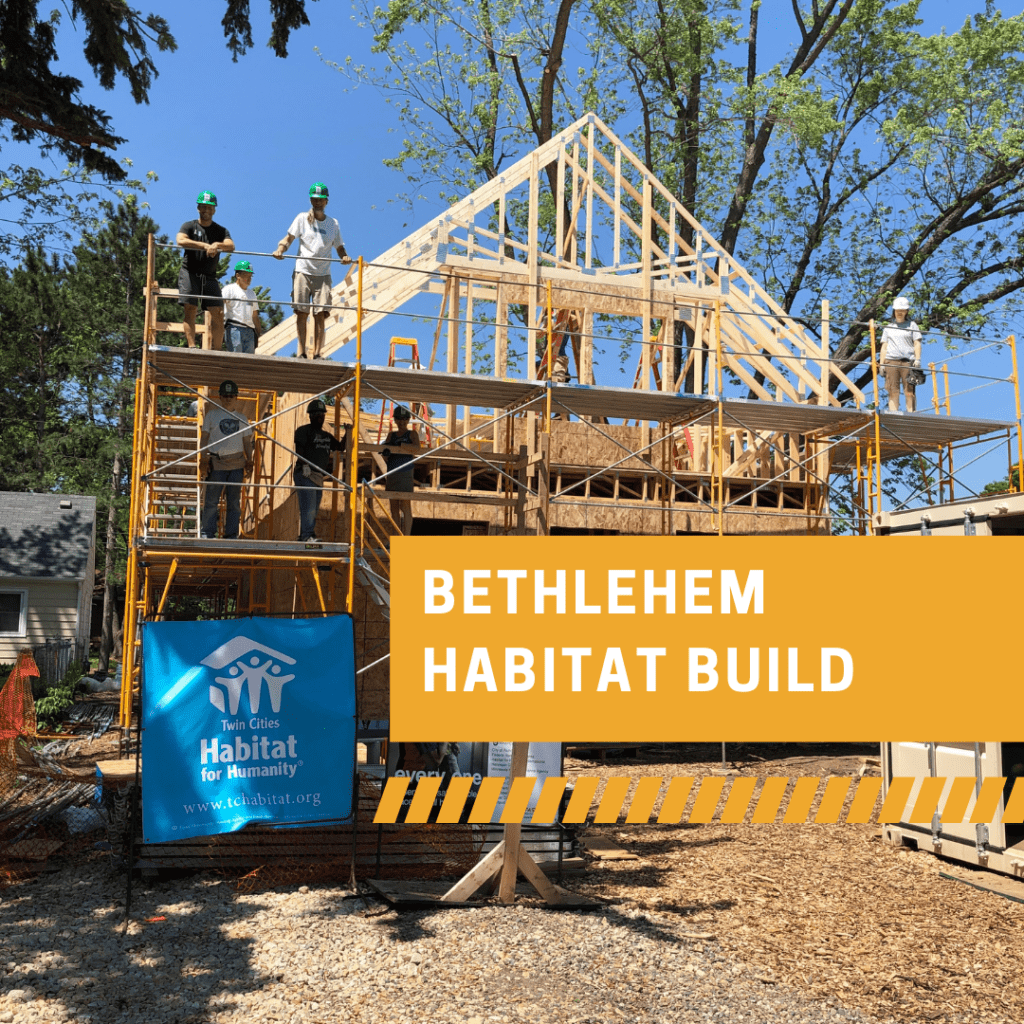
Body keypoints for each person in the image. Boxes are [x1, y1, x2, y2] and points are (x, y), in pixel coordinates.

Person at [273, 182, 351, 359]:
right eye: (315, 199)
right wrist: (280, 249)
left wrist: (345, 257)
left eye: (321, 200)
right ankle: (301, 352)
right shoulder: (302, 218)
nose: (318, 202)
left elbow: (339, 247)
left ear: (326, 202)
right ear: (310, 200)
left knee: (320, 314)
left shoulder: (333, 224)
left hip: (323, 274)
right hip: (303, 271)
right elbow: (288, 238)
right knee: (302, 312)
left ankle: (317, 353)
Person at [176, 191, 235, 349]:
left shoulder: (220, 231)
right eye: (203, 207)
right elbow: (180, 240)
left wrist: (217, 245)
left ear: (214, 210)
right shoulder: (189, 226)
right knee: (190, 309)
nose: (206, 210)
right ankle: (192, 346)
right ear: (198, 208)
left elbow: (231, 246)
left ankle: (217, 350)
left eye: (209, 207)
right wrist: (204, 246)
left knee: (218, 312)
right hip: (189, 272)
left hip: (209, 276)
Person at [200, 380, 254, 539]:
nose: (228, 398)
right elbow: (204, 439)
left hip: (237, 465)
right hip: (216, 463)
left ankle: (231, 535)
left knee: (234, 502)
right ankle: (207, 533)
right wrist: (203, 459)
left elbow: (247, 442)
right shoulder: (211, 415)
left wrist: (250, 460)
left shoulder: (242, 418)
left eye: (231, 395)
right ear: (220, 397)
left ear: (236, 397)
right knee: (211, 501)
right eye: (225, 395)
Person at [293, 398, 350, 542]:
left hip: (317, 475)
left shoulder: (326, 436)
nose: (320, 417)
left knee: (314, 508)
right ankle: (307, 536)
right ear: (310, 416)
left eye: (322, 414)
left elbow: (340, 447)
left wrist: (347, 433)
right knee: (309, 507)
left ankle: (305, 535)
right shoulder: (303, 431)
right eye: (317, 414)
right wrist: (304, 465)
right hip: (305, 473)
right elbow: (299, 451)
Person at [381, 406, 420, 535]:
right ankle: (395, 537)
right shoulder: (391, 435)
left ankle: (406, 537)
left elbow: (417, 448)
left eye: (404, 419)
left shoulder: (412, 434)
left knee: (405, 506)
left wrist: (401, 446)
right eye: (399, 419)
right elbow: (385, 453)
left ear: (408, 420)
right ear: (395, 420)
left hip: (405, 474)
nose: (402, 422)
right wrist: (386, 452)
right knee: (394, 508)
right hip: (392, 474)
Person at [879, 296, 923, 412]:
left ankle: (911, 414)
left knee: (909, 390)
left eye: (902, 310)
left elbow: (917, 343)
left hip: (907, 362)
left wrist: (917, 359)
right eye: (898, 310)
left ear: (906, 311)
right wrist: (882, 364)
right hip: (891, 361)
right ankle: (893, 413)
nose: (899, 313)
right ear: (894, 311)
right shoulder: (888, 328)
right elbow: (884, 347)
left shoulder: (912, 325)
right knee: (893, 390)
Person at [221, 260, 261, 355]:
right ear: (238, 275)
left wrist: (258, 333)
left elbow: (254, 316)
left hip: (249, 331)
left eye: (250, 276)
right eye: (246, 276)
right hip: (234, 328)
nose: (249, 279)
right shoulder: (229, 289)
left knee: (249, 360)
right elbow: (220, 308)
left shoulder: (252, 294)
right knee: (236, 358)